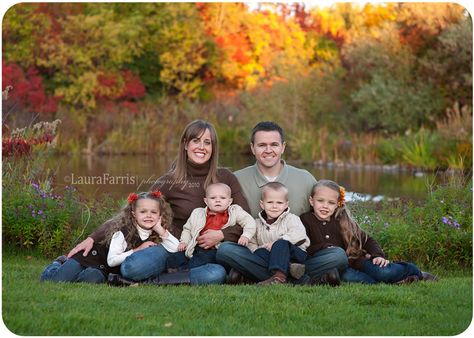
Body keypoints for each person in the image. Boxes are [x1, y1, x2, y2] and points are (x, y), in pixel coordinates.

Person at [67, 120, 250, 285]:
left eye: (207, 142)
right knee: (133, 268)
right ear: (185, 145)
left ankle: (154, 281)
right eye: (196, 141)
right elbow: (134, 211)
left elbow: (246, 218)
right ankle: (163, 272)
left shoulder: (226, 178)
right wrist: (92, 238)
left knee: (215, 275)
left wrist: (221, 234)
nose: (201, 147)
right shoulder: (170, 181)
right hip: (174, 248)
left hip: (209, 253)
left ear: (213, 147)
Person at [216, 121, 347, 284]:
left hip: (297, 255)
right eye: (262, 145)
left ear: (283, 147)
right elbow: (222, 216)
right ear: (252, 148)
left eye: (274, 144)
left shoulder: (305, 178)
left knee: (338, 256)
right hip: (259, 253)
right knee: (225, 251)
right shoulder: (235, 180)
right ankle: (298, 279)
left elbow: (324, 211)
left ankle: (253, 275)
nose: (268, 150)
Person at [300, 179, 438, 284]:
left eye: (330, 203)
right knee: (358, 280)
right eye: (320, 201)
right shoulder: (305, 220)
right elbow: (305, 248)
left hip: (358, 261)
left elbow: (368, 240)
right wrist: (323, 247)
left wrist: (378, 255)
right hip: (340, 268)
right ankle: (401, 281)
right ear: (312, 201)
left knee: (382, 272)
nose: (325, 206)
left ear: (337, 205)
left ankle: (415, 271)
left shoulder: (342, 221)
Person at [41, 190, 178, 283]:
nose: (148, 215)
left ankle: (79, 274)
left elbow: (176, 247)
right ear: (134, 214)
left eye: (154, 212)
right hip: (88, 257)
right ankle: (57, 264)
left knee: (91, 280)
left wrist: (160, 229)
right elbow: (112, 260)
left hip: (102, 269)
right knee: (57, 280)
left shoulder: (157, 233)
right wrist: (138, 250)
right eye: (143, 211)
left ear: (160, 215)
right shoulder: (122, 231)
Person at [167, 182, 256, 270]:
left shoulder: (235, 211)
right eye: (213, 198)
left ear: (230, 201)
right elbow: (187, 229)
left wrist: (246, 236)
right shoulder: (197, 213)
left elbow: (250, 222)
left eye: (223, 198)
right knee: (175, 257)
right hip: (195, 247)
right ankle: (173, 271)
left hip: (216, 250)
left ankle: (185, 273)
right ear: (206, 201)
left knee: (201, 260)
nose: (218, 200)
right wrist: (184, 242)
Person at [245, 182, 310, 285]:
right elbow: (251, 243)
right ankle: (289, 268)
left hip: (295, 255)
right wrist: (259, 249)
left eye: (279, 203)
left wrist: (275, 244)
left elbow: (299, 234)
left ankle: (279, 278)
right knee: (259, 252)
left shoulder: (292, 219)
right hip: (271, 258)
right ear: (262, 204)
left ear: (286, 205)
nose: (274, 206)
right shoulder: (256, 224)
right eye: (270, 202)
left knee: (281, 243)